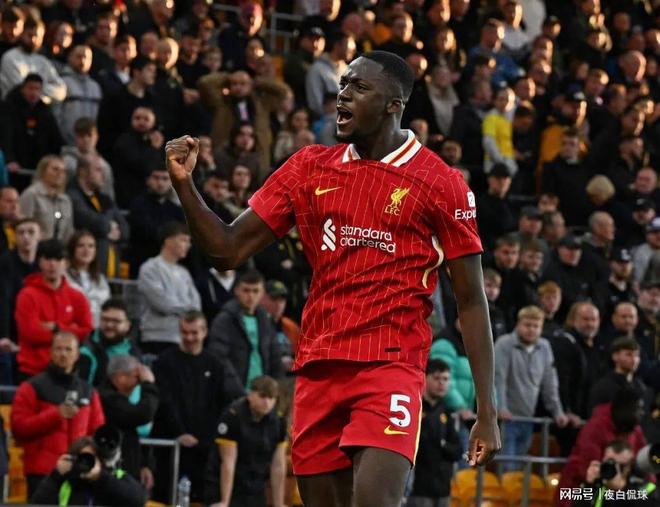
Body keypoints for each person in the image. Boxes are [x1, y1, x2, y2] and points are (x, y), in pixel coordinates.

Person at [166, 50, 500, 506]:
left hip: (390, 366)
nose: (343, 94)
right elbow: (226, 249)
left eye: (359, 87)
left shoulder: (441, 183)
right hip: (318, 367)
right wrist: (185, 186)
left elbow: (472, 300)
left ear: (393, 104)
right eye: (343, 84)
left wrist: (487, 411)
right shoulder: (308, 167)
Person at [152, 311, 243, 502]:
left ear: (204, 332)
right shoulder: (164, 362)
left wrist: (207, 438)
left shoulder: (215, 364)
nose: (189, 338)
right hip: (172, 446)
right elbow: (165, 402)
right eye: (184, 332)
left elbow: (219, 404)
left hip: (205, 448)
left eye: (194, 333)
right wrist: (179, 432)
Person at [10, 332, 105, 498]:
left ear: (77, 355)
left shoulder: (89, 392)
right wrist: (56, 415)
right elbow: (19, 427)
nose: (63, 354)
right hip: (42, 472)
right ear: (50, 352)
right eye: (58, 349)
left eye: (68, 349)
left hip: (80, 472)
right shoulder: (31, 387)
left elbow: (97, 431)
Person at [494, 306, 568, 470]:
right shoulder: (504, 344)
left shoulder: (544, 347)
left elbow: (550, 382)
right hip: (506, 419)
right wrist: (501, 408)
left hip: (528, 418)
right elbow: (498, 379)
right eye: (527, 325)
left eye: (536, 326)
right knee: (507, 468)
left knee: (521, 469)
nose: (531, 330)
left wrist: (558, 412)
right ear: (518, 324)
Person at [15, 239, 93, 381]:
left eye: (58, 259)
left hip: (68, 372)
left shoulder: (77, 297)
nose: (52, 264)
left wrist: (57, 327)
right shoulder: (27, 295)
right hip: (32, 371)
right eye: (47, 259)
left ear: (66, 263)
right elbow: (30, 333)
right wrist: (69, 331)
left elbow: (86, 331)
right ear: (39, 262)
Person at [204, 375, 287, 507]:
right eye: (262, 396)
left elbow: (278, 465)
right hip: (225, 483)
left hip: (255, 485)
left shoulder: (278, 421)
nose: (267, 403)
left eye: (271, 398)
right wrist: (224, 502)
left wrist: (279, 504)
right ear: (250, 395)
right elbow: (228, 462)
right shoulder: (233, 416)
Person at [557, 387, 647, 506]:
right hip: (579, 489)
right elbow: (588, 468)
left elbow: (646, 464)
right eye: (638, 409)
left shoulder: (635, 430)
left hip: (619, 492)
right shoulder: (595, 428)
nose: (642, 413)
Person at [208, 270, 283, 388]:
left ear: (262, 293)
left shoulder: (265, 319)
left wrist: (275, 386)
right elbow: (219, 357)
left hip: (263, 391)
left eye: (255, 291)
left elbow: (275, 355)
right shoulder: (225, 319)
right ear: (236, 291)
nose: (251, 295)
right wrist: (236, 389)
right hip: (235, 391)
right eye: (246, 290)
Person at [137, 221, 201, 354]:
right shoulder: (150, 268)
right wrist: (188, 310)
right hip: (157, 338)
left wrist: (190, 311)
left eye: (189, 241)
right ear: (168, 241)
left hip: (182, 338)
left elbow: (196, 305)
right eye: (183, 240)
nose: (188, 245)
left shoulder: (184, 273)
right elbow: (163, 304)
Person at [31, 435, 146, 507]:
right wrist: (56, 475)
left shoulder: (115, 477)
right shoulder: (66, 482)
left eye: (92, 458)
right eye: (83, 458)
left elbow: (138, 500)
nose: (87, 463)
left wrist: (101, 477)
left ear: (101, 460)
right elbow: (38, 503)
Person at [407, 359, 462, 507]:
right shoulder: (414, 409)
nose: (441, 383)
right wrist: (441, 444)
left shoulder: (447, 412)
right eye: (437, 378)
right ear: (425, 378)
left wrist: (441, 444)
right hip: (417, 490)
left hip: (443, 490)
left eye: (445, 379)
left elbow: (458, 451)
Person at [99, 355, 158, 487]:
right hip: (111, 472)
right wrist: (149, 384)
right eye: (136, 377)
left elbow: (130, 431)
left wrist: (143, 464)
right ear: (120, 377)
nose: (138, 383)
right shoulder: (108, 399)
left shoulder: (119, 399)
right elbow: (143, 414)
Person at [67, 155, 129, 278]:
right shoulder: (72, 196)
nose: (104, 176)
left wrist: (107, 228)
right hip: (86, 272)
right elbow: (89, 221)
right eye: (98, 170)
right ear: (82, 171)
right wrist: (110, 226)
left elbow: (125, 229)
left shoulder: (105, 199)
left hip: (112, 270)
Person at [572, 440, 658, 507]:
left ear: (628, 467)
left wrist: (622, 489)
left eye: (621, 466)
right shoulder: (597, 487)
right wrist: (587, 485)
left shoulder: (644, 488)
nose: (614, 469)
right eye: (609, 463)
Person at [0, 16, 67, 103]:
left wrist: (38, 90)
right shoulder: (10, 57)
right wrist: (47, 94)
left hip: (39, 109)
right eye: (30, 35)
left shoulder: (43, 61)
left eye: (37, 36)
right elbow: (21, 90)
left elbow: (61, 91)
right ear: (22, 34)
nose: (33, 40)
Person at [77, 298, 141, 387]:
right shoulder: (86, 352)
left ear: (127, 325)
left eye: (116, 321)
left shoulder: (133, 351)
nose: (109, 325)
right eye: (105, 319)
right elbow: (81, 389)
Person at [19, 155, 73, 242]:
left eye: (63, 171)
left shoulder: (66, 200)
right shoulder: (31, 195)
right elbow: (23, 226)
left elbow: (68, 232)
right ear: (43, 171)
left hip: (59, 248)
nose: (60, 174)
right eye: (55, 169)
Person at [588, 337, 647, 417]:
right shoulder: (604, 387)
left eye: (636, 355)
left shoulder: (640, 386)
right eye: (628, 354)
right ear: (615, 356)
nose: (634, 359)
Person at [65, 230, 111, 327]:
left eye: (91, 246)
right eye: (81, 246)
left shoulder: (100, 278)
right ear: (72, 249)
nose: (86, 250)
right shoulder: (63, 276)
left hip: (96, 329)